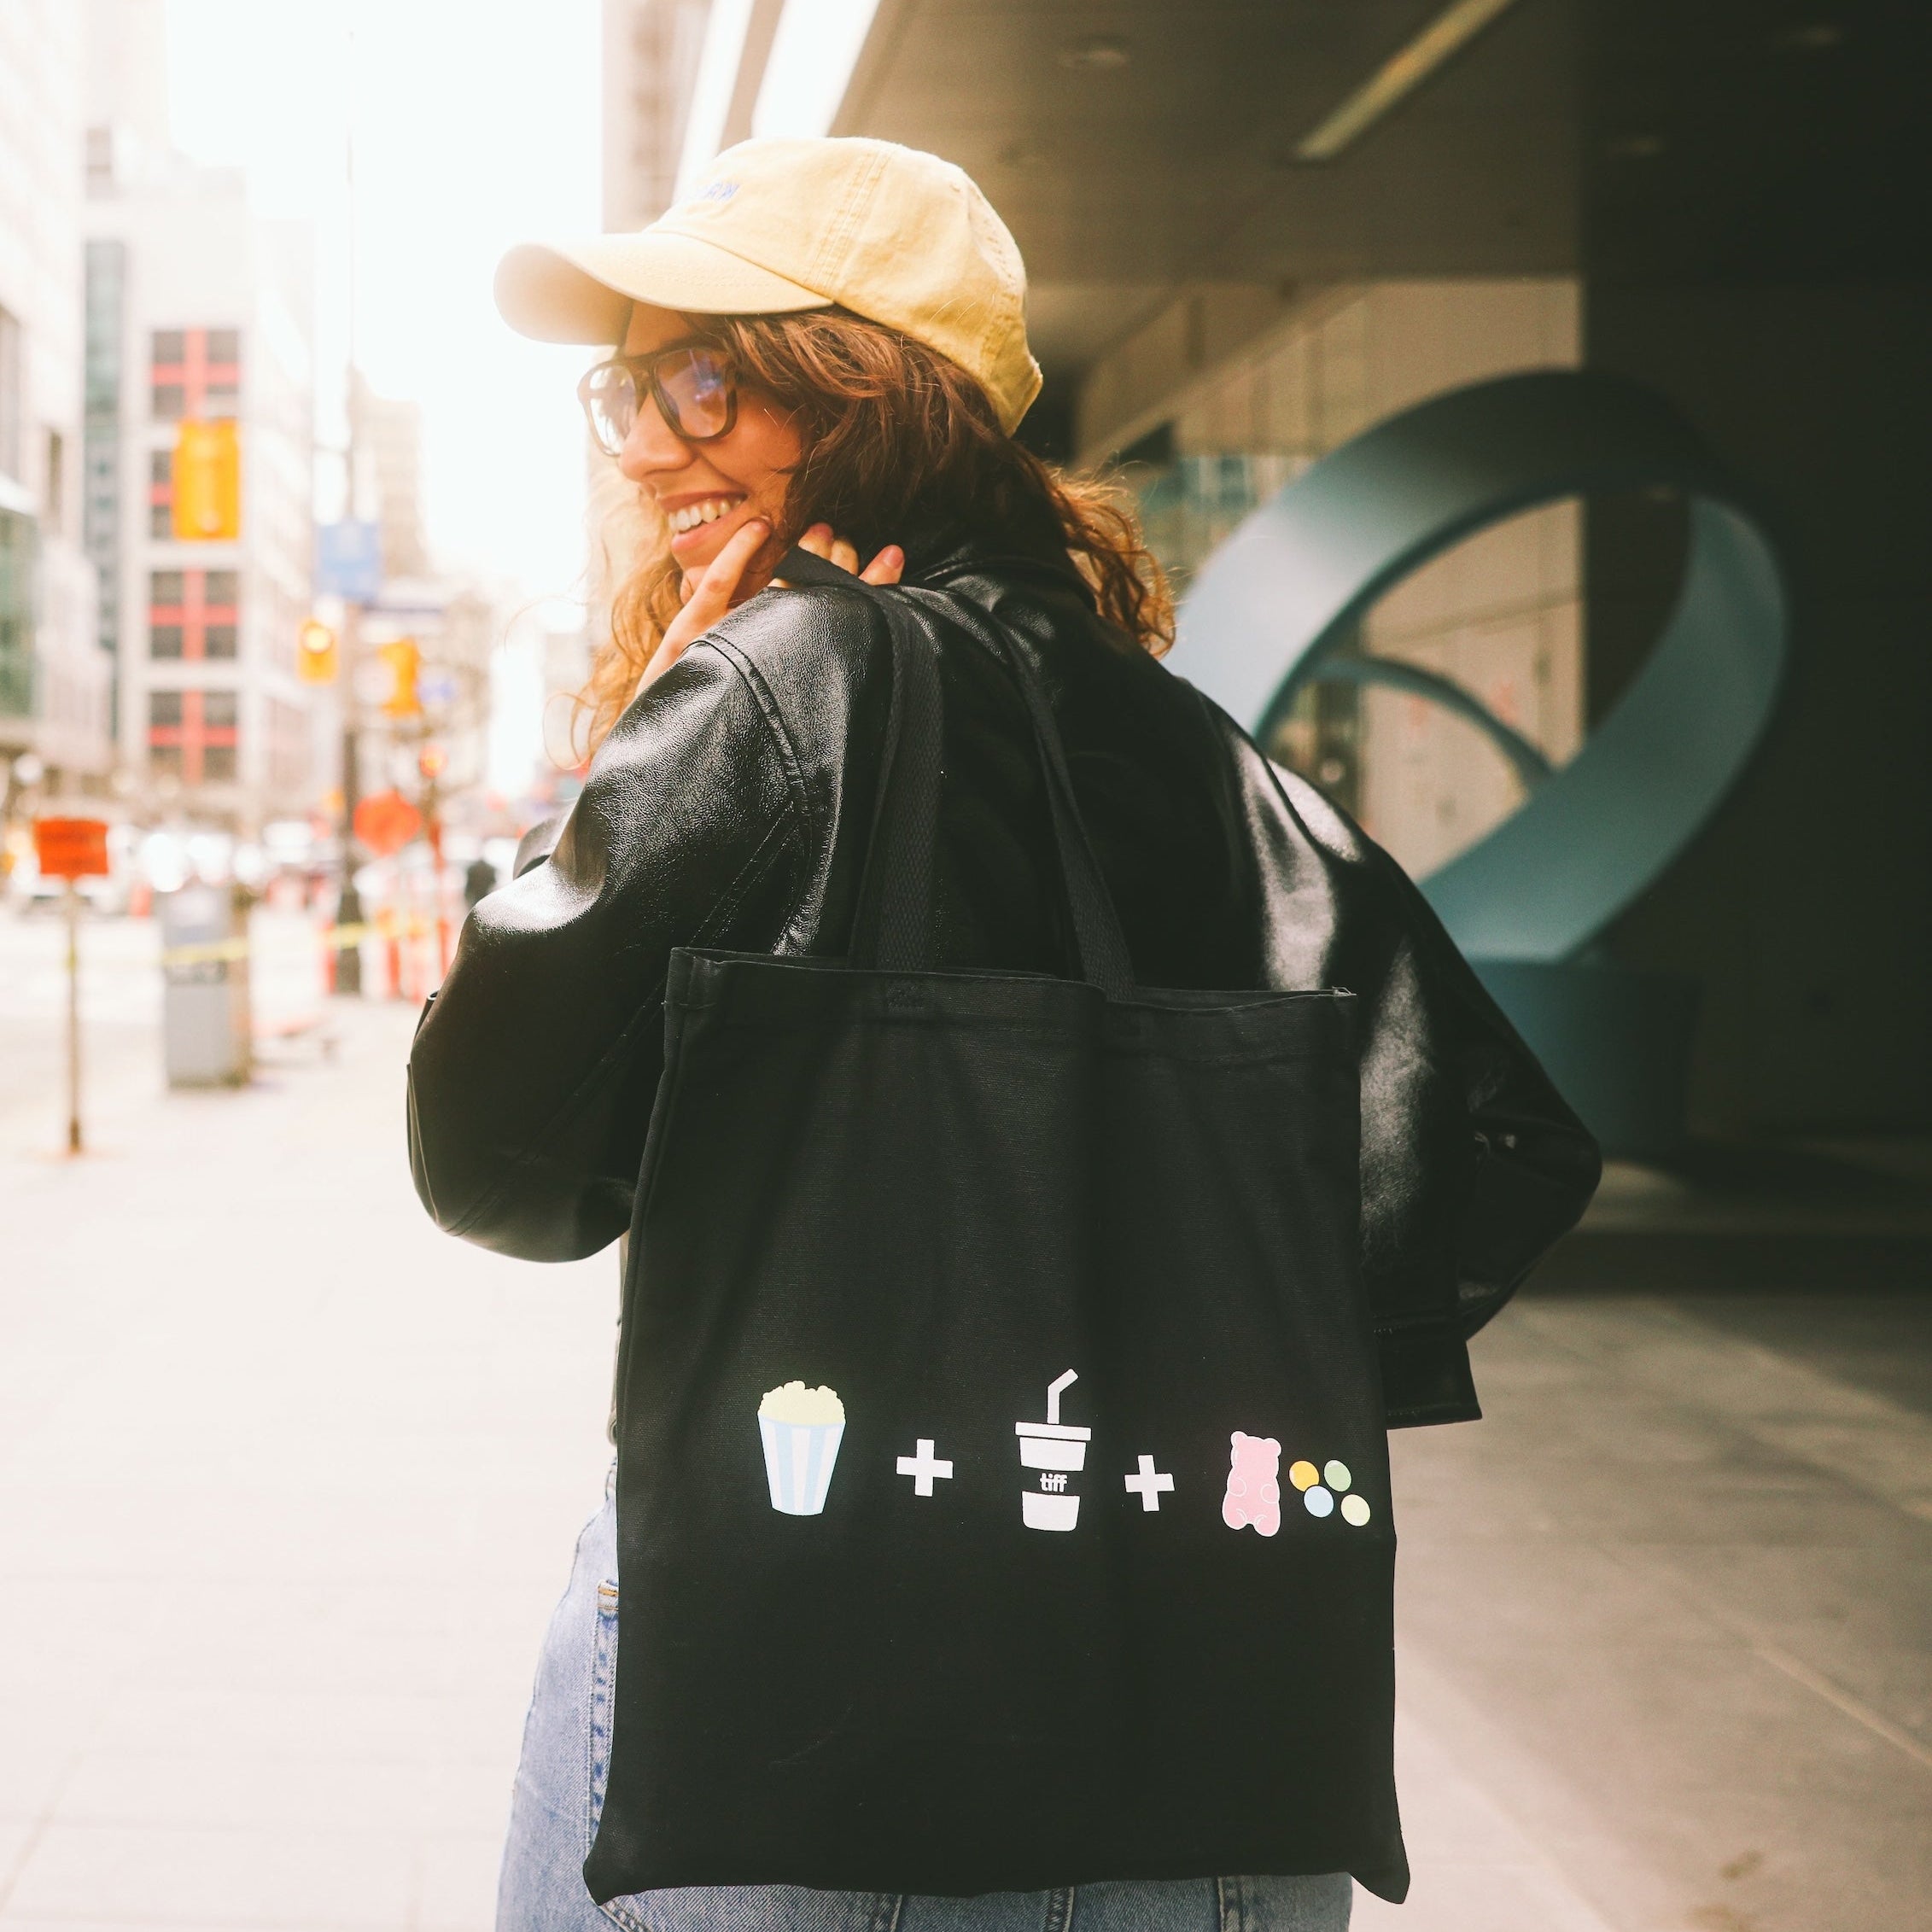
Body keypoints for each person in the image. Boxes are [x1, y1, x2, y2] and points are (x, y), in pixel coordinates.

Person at [408, 137, 1598, 1932]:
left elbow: (495, 1163)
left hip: (803, 1707)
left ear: (863, 390)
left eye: (701, 377)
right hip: (1213, 1719)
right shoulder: (1208, 758)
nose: (648, 439)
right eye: (625, 390)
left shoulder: (777, 682)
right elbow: (1492, 1156)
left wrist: (619, 761)